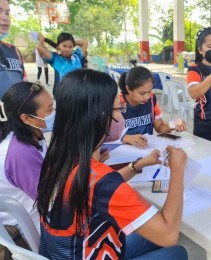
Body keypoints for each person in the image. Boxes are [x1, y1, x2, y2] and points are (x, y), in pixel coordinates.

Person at [36, 69, 188, 259]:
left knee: (151, 233)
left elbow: (96, 188)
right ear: (99, 117)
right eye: (119, 109)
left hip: (67, 250)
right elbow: (168, 235)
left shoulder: (56, 158)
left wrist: (137, 166)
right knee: (176, 251)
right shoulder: (101, 180)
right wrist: (178, 171)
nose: (122, 117)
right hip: (90, 252)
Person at [0, 81, 54, 229]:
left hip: (38, 211)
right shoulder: (20, 152)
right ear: (27, 118)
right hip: (32, 225)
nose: (55, 113)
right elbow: (51, 201)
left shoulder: (33, 134)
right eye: (49, 110)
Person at [118, 66, 187, 148]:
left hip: (146, 149)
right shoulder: (117, 103)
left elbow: (160, 127)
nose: (147, 97)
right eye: (142, 93)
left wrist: (174, 125)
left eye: (149, 91)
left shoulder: (151, 99)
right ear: (128, 89)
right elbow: (105, 137)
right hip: (124, 152)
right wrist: (126, 138)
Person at [36, 32, 88, 96]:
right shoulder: (55, 59)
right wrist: (41, 39)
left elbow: (85, 42)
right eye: (64, 46)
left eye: (70, 46)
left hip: (78, 94)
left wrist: (71, 41)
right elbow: (39, 47)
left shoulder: (77, 56)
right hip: (61, 96)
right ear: (58, 46)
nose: (67, 49)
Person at [0, 0, 26, 99]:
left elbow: (23, 83)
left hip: (15, 112)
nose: (5, 17)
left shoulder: (14, 51)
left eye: (7, 13)